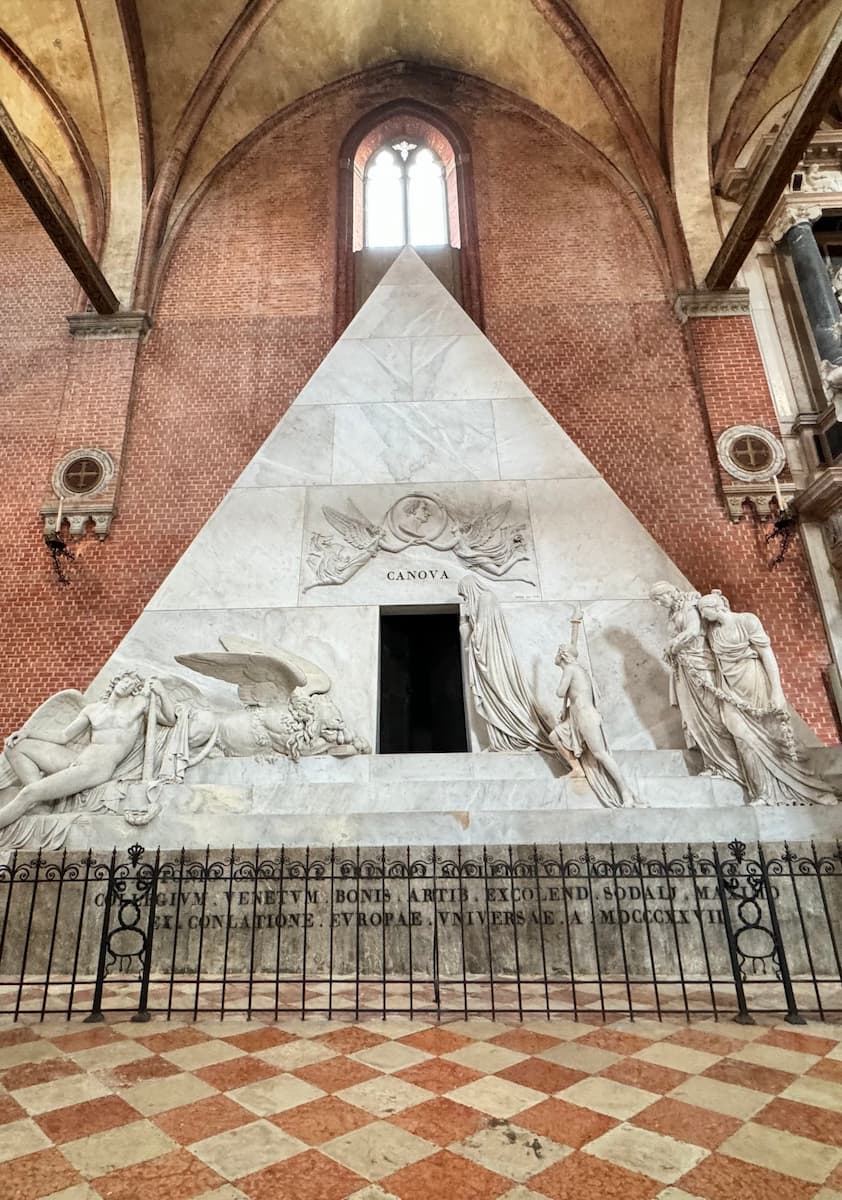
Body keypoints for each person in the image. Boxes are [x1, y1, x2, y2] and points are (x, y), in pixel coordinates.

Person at [696, 591, 836, 806]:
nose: (703, 617)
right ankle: (762, 793)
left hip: (754, 682)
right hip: (730, 690)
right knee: (742, 739)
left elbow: (767, 655)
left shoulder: (747, 620)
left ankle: (802, 785)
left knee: (775, 736)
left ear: (716, 607)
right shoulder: (712, 632)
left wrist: (776, 691)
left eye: (704, 611)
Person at [0, 673, 174, 829]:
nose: (127, 684)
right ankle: (43, 804)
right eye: (125, 679)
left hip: (97, 768)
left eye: (132, 684)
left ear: (135, 691)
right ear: (116, 681)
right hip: (77, 759)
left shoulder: (139, 705)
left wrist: (161, 693)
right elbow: (63, 736)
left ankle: (34, 797)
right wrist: (27, 733)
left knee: (28, 793)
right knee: (16, 747)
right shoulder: (93, 710)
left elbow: (169, 719)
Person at [649, 582, 742, 782]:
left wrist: (673, 645)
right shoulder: (673, 613)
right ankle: (711, 764)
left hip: (700, 664)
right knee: (694, 718)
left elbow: (693, 630)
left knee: (712, 714)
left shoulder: (690, 605)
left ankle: (730, 764)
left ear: (670, 592)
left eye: (659, 599)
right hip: (683, 668)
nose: (659, 604)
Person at [550, 644, 637, 808]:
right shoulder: (575, 670)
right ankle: (577, 769)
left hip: (585, 716)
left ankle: (625, 792)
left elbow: (560, 692)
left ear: (562, 655)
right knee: (555, 736)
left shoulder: (571, 669)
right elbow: (572, 695)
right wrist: (565, 709)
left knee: (601, 754)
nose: (554, 656)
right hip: (575, 716)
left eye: (556, 653)